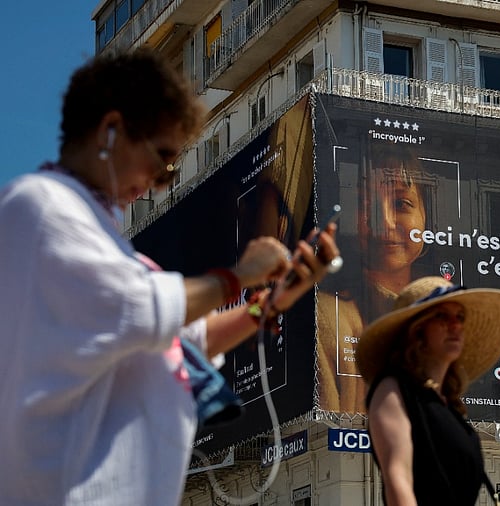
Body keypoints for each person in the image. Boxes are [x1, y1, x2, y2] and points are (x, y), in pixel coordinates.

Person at [0, 48, 340, 505]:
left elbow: (187, 340)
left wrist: (276, 298)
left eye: (171, 168)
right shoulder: (41, 206)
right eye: (161, 158)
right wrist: (238, 275)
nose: (162, 180)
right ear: (111, 129)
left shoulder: (105, 240)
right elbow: (143, 308)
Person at [358, 276, 500, 505]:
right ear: (417, 330)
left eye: (460, 317)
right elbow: (399, 482)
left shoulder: (450, 406)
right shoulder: (392, 390)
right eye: (442, 316)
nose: (455, 325)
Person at [317, 143, 429, 413]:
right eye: (366, 205)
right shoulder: (328, 318)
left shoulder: (448, 309)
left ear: (427, 215)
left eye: (402, 203)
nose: (386, 222)